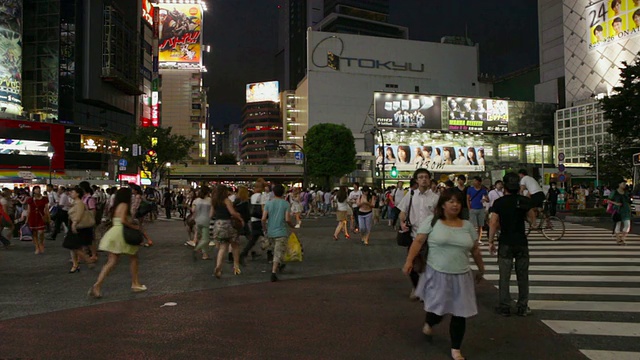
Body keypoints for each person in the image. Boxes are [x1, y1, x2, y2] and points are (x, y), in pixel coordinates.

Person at [403, 189, 485, 360]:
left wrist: (481, 268)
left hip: (462, 275)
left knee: (459, 313)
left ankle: (456, 349)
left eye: (458, 201)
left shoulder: (467, 226)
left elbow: (475, 250)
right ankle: (430, 322)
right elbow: (418, 241)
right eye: (451, 201)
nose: (454, 205)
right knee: (438, 311)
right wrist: (409, 261)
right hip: (437, 274)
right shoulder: (432, 222)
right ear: (443, 204)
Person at [488, 172, 534, 317]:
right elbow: (532, 220)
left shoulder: (499, 203)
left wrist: (490, 241)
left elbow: (493, 222)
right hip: (521, 242)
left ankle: (505, 307)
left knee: (504, 276)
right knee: (523, 276)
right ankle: (522, 307)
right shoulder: (524, 201)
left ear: (504, 186)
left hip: (505, 242)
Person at [88, 187, 146, 298]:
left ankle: (97, 285)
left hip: (114, 232)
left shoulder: (116, 206)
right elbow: (123, 220)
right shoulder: (124, 205)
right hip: (122, 233)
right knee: (133, 257)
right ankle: (135, 283)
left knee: (111, 261)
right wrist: (134, 226)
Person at [397, 169, 440, 300]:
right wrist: (402, 222)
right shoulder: (410, 195)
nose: (424, 179)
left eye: (426, 177)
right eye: (420, 177)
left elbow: (439, 216)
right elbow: (402, 212)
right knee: (412, 264)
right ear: (416, 180)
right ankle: (416, 287)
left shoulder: (436, 198)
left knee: (429, 265)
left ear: (430, 180)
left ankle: (426, 290)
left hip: (430, 236)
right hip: (413, 235)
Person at [261, 184, 296, 282]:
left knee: (275, 251)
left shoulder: (268, 203)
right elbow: (287, 219)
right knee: (278, 252)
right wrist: (292, 226)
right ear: (283, 193)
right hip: (281, 231)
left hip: (270, 231)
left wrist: (265, 229)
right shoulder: (285, 204)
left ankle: (279, 265)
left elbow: (263, 218)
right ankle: (273, 272)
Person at [212, 185, 245, 278]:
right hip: (228, 224)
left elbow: (211, 214)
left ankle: (218, 267)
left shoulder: (214, 201)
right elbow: (232, 213)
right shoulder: (227, 200)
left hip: (218, 224)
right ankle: (236, 267)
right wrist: (240, 218)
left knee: (222, 247)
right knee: (235, 245)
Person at [66, 186, 95, 273]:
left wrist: (74, 223)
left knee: (73, 245)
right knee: (73, 246)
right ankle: (76, 264)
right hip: (76, 225)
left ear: (78, 194)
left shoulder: (79, 203)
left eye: (72, 192)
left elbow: (79, 214)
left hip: (78, 226)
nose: (71, 194)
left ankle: (87, 260)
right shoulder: (75, 203)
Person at [240, 180, 267, 264]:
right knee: (269, 237)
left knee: (253, 240)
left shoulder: (252, 196)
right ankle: (272, 256)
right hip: (260, 219)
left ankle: (243, 253)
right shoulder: (262, 196)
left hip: (253, 219)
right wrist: (265, 218)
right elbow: (263, 208)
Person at [25, 185, 49, 254]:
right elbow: (28, 210)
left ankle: (41, 243)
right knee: (34, 232)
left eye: (38, 189)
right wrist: (27, 219)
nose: (37, 190)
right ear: (33, 191)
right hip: (32, 217)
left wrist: (48, 217)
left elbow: (46, 209)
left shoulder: (44, 199)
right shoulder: (30, 199)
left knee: (41, 232)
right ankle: (37, 246)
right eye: (36, 189)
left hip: (41, 216)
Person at [192, 186, 213, 260]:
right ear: (208, 192)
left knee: (202, 237)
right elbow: (211, 212)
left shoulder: (196, 200)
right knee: (206, 239)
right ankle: (197, 249)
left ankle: (205, 254)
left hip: (197, 220)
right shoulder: (210, 200)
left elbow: (193, 210)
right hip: (206, 220)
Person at [467, 176, 489, 244]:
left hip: (481, 209)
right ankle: (473, 239)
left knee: (480, 225)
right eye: (473, 181)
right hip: (473, 208)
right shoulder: (470, 189)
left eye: (475, 181)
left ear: (479, 182)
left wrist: (485, 199)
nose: (473, 182)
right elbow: (467, 199)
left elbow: (488, 199)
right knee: (473, 225)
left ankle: (478, 239)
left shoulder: (483, 190)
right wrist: (469, 208)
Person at [609, 180, 631, 245]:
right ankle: (618, 239)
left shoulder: (626, 192)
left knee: (627, 225)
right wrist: (616, 203)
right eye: (623, 183)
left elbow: (629, 200)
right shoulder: (614, 192)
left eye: (625, 184)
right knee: (618, 225)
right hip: (618, 210)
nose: (624, 185)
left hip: (626, 210)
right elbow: (608, 200)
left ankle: (623, 239)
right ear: (619, 184)